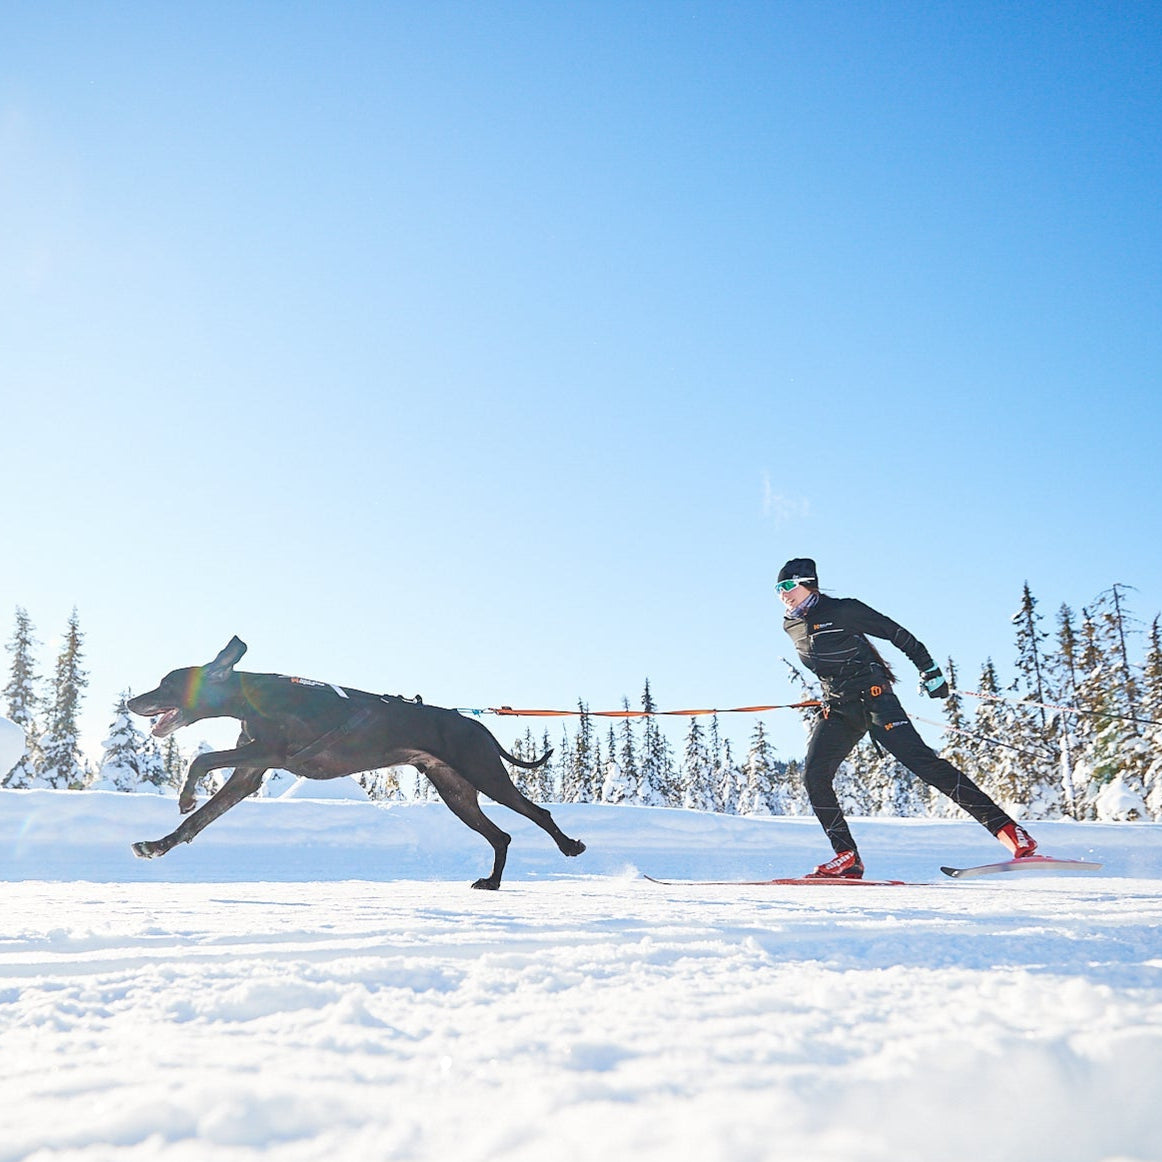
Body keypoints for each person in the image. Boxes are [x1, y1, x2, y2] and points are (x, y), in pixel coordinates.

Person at [777, 557, 1036, 879]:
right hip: (839, 709)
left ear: (808, 583)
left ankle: (1011, 833)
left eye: (788, 586)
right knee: (814, 776)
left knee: (925, 764)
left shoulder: (843, 610)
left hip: (874, 701)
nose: (782, 594)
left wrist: (929, 670)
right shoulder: (791, 625)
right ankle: (846, 856)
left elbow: (897, 634)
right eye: (778, 589)